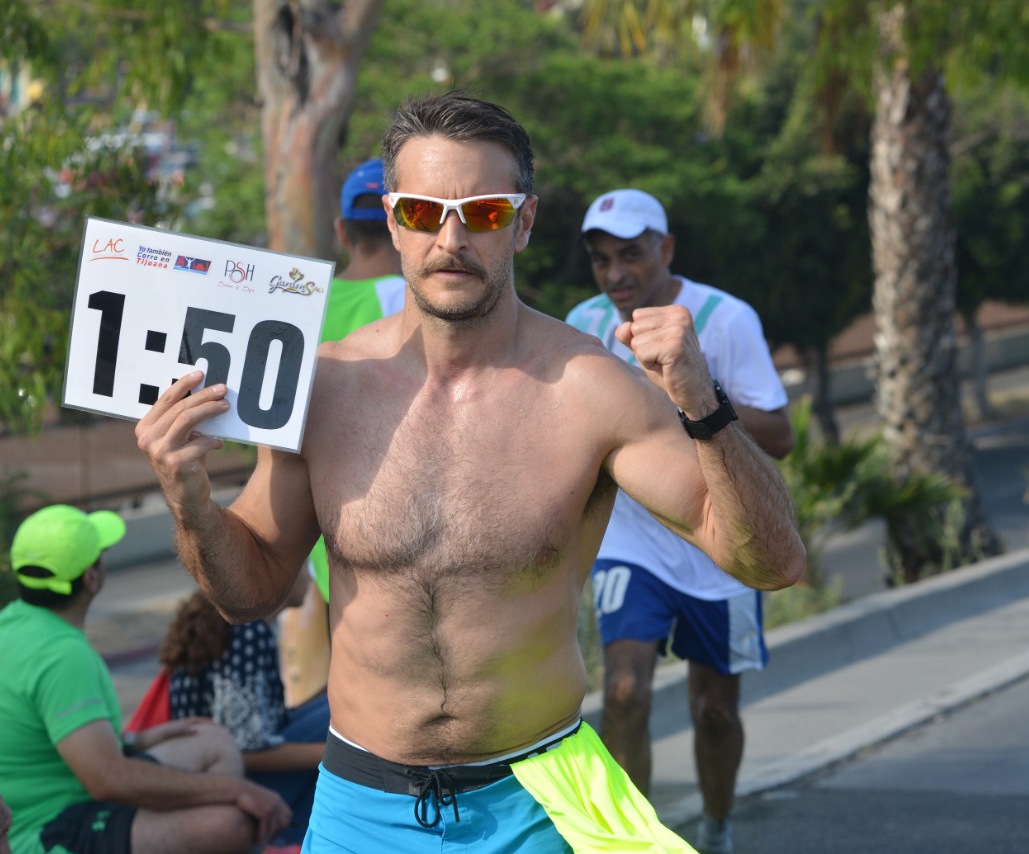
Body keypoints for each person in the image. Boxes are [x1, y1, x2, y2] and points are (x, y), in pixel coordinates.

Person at [135, 91, 805, 852]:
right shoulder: (321, 390)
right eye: (423, 212)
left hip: (534, 803)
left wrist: (703, 403)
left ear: (522, 223)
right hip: (362, 806)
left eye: (482, 213)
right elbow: (248, 593)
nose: (450, 238)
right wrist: (189, 502)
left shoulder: (592, 390)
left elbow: (773, 561)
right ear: (392, 220)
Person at [566, 187, 794, 853]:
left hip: (721, 546)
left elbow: (778, 434)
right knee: (627, 692)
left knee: (714, 711)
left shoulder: (724, 318)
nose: (617, 274)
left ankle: (717, 829)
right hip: (629, 541)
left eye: (631, 255)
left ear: (665, 249)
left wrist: (691, 390)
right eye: (602, 260)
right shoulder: (582, 324)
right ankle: (629, 845)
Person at [0, 504, 291, 854]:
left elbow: (49, 740)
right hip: (51, 830)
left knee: (210, 738)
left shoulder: (10, 624)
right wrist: (238, 791)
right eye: (100, 554)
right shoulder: (61, 654)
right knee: (232, 824)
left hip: (58, 802)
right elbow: (106, 780)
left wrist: (136, 740)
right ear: (91, 578)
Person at [278, 157, 410, 708]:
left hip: (326, 534)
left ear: (341, 229)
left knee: (350, 708)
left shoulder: (301, 304)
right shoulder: (426, 301)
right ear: (402, 225)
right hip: (415, 528)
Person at [160, 572, 329, 847]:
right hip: (228, 782)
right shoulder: (248, 631)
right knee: (337, 728)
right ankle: (289, 840)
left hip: (212, 771)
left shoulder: (243, 623)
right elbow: (245, 749)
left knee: (331, 707)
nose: (311, 577)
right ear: (278, 576)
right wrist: (338, 754)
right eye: (303, 566)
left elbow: (262, 724)